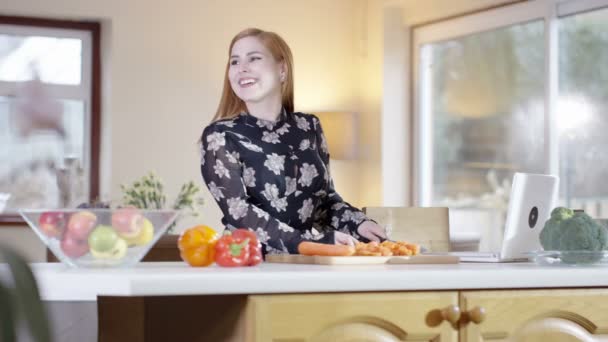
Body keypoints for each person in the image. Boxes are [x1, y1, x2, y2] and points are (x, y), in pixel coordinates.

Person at [199, 28, 386, 254]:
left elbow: (324, 201)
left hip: (308, 263)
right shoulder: (220, 136)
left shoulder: (310, 127)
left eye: (254, 58)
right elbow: (239, 212)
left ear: (282, 69)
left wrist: (359, 223)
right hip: (248, 262)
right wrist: (312, 243)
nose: (242, 68)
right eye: (234, 62)